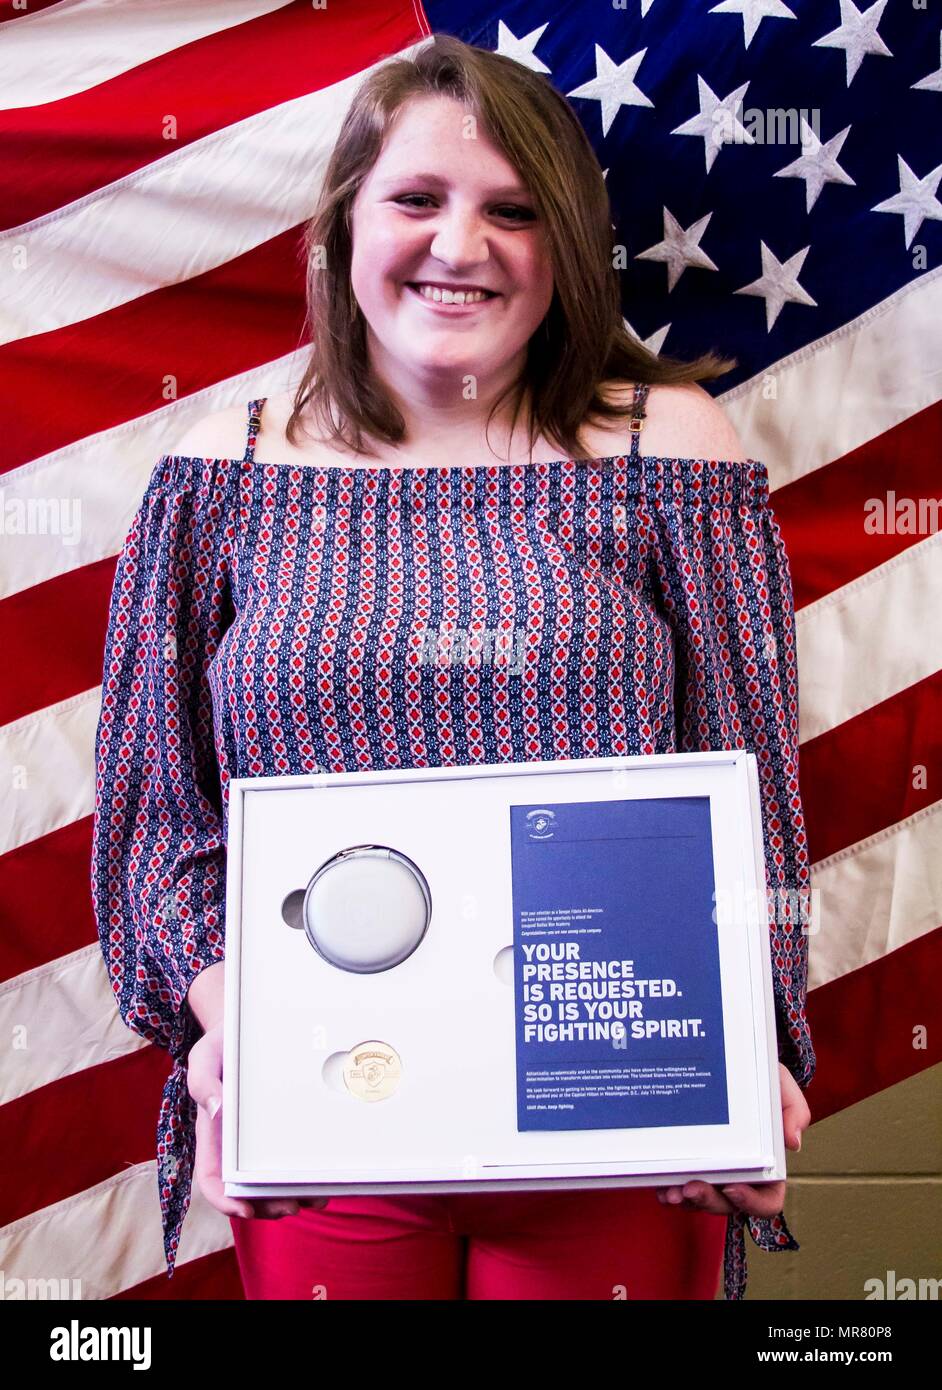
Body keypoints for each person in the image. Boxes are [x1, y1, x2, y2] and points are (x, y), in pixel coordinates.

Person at [91, 34, 814, 1301]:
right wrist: (227, 1016)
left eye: (513, 212)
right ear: (341, 229)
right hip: (331, 1104)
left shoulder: (674, 453)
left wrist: (749, 1038)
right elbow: (161, 806)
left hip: (617, 1111)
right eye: (417, 199)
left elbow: (750, 796)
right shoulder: (225, 471)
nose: (461, 245)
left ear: (567, 248)